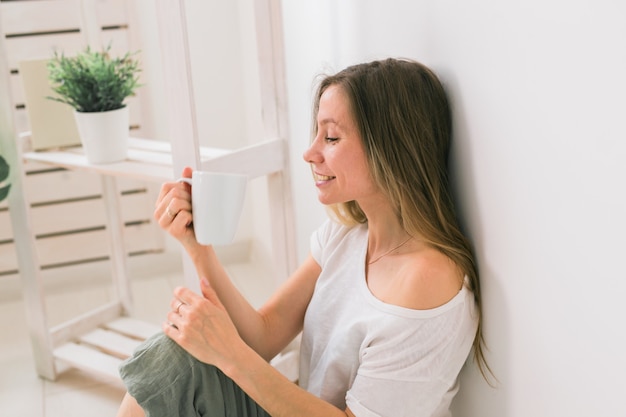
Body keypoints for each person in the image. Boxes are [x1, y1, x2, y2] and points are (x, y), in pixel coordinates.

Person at [116, 58, 489, 417]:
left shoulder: (427, 280)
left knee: (180, 364)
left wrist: (228, 353)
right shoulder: (344, 237)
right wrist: (198, 247)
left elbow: (247, 354)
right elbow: (262, 337)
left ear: (391, 149)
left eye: (330, 137)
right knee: (175, 359)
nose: (310, 153)